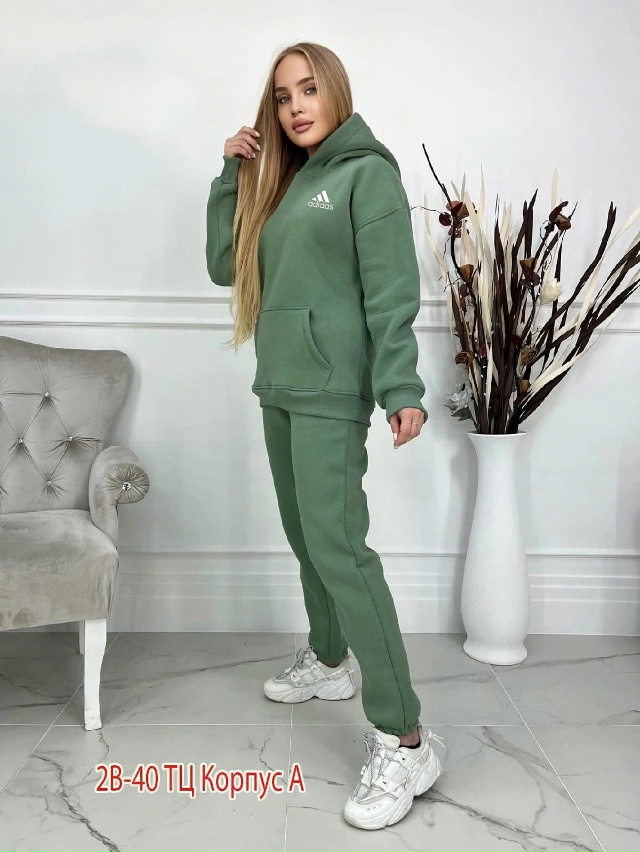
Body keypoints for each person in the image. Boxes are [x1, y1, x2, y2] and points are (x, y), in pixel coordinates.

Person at [206, 40, 445, 831]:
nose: (295, 107)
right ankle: (331, 658)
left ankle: (405, 737)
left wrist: (401, 387)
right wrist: (232, 175)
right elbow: (223, 266)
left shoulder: (366, 176)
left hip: (332, 390)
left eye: (308, 89)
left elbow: (390, 290)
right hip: (280, 385)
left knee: (341, 550)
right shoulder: (285, 184)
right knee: (308, 538)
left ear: (335, 91)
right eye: (282, 97)